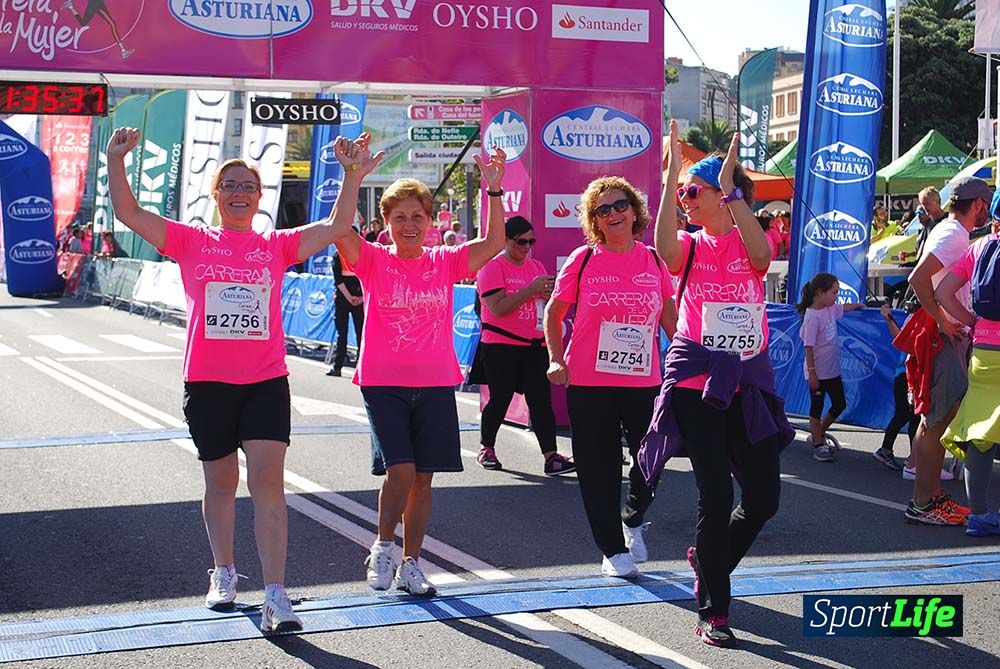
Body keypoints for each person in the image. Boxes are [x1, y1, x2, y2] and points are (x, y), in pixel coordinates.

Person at [105, 126, 354, 633]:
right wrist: (116, 161)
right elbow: (129, 215)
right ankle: (223, 571)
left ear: (259, 198)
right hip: (208, 382)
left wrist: (351, 175)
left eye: (248, 187)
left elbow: (337, 224)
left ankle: (277, 595)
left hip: (265, 381)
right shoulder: (192, 241)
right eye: (231, 186)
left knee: (269, 483)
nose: (240, 194)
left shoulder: (277, 246)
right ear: (216, 196)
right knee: (220, 482)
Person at [324, 135, 508, 597]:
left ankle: (411, 562)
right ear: (386, 224)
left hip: (435, 382)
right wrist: (353, 177)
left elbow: (495, 241)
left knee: (423, 481)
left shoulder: (444, 261)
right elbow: (337, 228)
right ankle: (384, 545)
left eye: (417, 217)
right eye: (399, 217)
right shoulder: (371, 259)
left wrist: (493, 189)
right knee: (400, 471)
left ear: (430, 222)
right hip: (383, 382)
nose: (409, 225)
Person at [639, 121, 793, 648]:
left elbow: (759, 259)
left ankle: (711, 558)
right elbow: (663, 246)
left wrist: (732, 188)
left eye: (691, 191)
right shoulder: (687, 244)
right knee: (714, 491)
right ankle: (714, 611)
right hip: (697, 378)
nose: (685, 201)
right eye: (681, 193)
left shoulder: (751, 234)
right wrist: (664, 183)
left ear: (724, 196)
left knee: (765, 497)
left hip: (747, 378)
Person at [544, 176, 678, 581]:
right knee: (597, 468)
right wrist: (555, 357)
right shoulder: (582, 260)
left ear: (634, 210)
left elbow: (670, 317)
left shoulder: (654, 260)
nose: (613, 214)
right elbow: (553, 312)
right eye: (603, 210)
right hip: (589, 382)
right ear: (594, 221)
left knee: (651, 461)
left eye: (620, 205)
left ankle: (633, 517)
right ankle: (612, 548)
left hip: (644, 381)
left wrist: (689, 361)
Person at [902, 176, 992, 526]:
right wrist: (944, 321)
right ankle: (924, 502)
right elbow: (919, 280)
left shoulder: (951, 230)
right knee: (937, 420)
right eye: (986, 205)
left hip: (941, 333)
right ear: (979, 204)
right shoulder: (953, 234)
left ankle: (930, 496)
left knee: (937, 418)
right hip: (941, 337)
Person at [477, 216, 573, 476]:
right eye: (521, 242)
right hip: (501, 347)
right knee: (500, 399)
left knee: (541, 401)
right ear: (507, 240)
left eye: (531, 241)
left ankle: (551, 457)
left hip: (534, 345)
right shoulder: (492, 268)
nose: (526, 247)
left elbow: (545, 303)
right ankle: (487, 448)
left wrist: (548, 294)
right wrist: (531, 290)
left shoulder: (536, 266)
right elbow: (498, 308)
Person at [936, 191, 1000, 537]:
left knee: (979, 434)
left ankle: (979, 515)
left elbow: (943, 292)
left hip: (985, 351)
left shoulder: (978, 248)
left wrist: (973, 322)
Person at [796, 273, 865, 462]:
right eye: (834, 292)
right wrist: (812, 373)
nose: (837, 296)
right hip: (817, 372)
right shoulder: (812, 317)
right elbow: (808, 347)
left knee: (839, 403)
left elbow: (843, 307)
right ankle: (818, 445)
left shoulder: (830, 309)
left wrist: (858, 305)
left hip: (832, 371)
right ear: (820, 293)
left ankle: (819, 433)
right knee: (816, 407)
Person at [874, 303, 919, 471]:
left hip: (905, 375)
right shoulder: (917, 319)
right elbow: (901, 340)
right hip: (907, 376)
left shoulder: (913, 317)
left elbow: (899, 338)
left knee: (904, 415)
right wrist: (888, 318)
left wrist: (888, 318)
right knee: (912, 417)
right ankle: (913, 460)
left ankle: (887, 450)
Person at [327, 246, 364, 377]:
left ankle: (354, 367)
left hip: (352, 297)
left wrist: (358, 298)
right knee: (344, 334)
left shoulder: (360, 254)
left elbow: (366, 277)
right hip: (349, 297)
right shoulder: (340, 256)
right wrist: (355, 298)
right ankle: (339, 366)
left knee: (359, 334)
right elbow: (339, 280)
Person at [63, 1, 133, 59]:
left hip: (97, 3)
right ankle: (123, 51)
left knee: (84, 23)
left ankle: (70, 6)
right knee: (112, 24)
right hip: (95, 3)